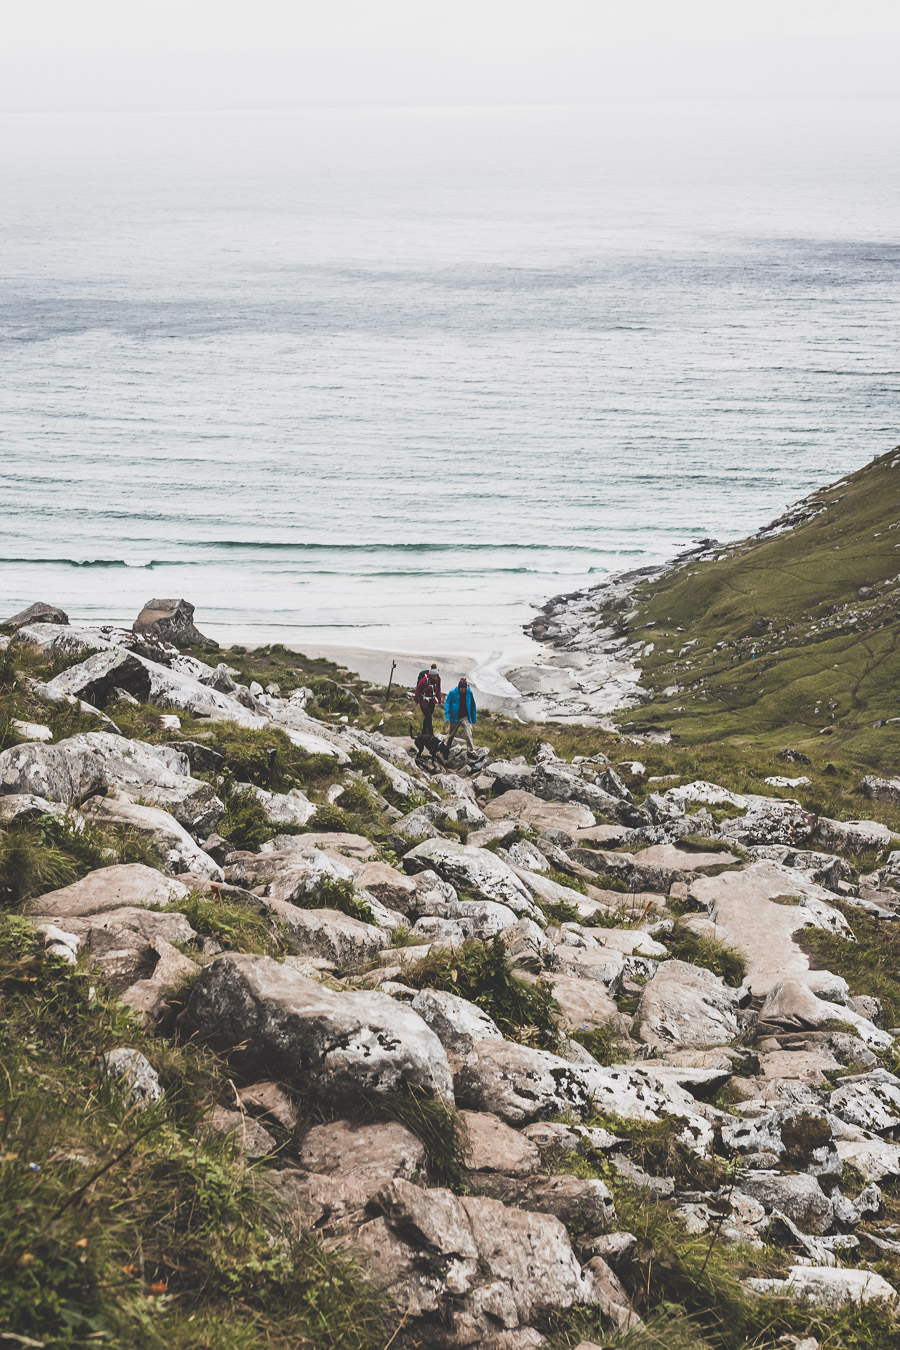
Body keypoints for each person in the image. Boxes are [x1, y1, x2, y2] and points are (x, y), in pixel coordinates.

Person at [412, 666, 443, 764]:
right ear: (431, 675)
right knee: (429, 717)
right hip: (424, 701)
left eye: (436, 676)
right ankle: (431, 735)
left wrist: (439, 699)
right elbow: (418, 690)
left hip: (432, 701)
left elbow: (438, 689)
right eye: (434, 676)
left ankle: (423, 735)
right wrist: (417, 700)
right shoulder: (425, 680)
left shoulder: (438, 679)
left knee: (427, 718)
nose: (436, 677)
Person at [444, 676, 476, 755]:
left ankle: (471, 750)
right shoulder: (452, 693)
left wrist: (473, 719)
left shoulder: (469, 693)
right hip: (454, 718)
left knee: (468, 734)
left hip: (465, 717)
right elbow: (447, 704)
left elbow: (472, 705)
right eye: (461, 689)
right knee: (450, 735)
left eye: (464, 689)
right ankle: (445, 749)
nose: (463, 690)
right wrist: (447, 717)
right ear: (458, 687)